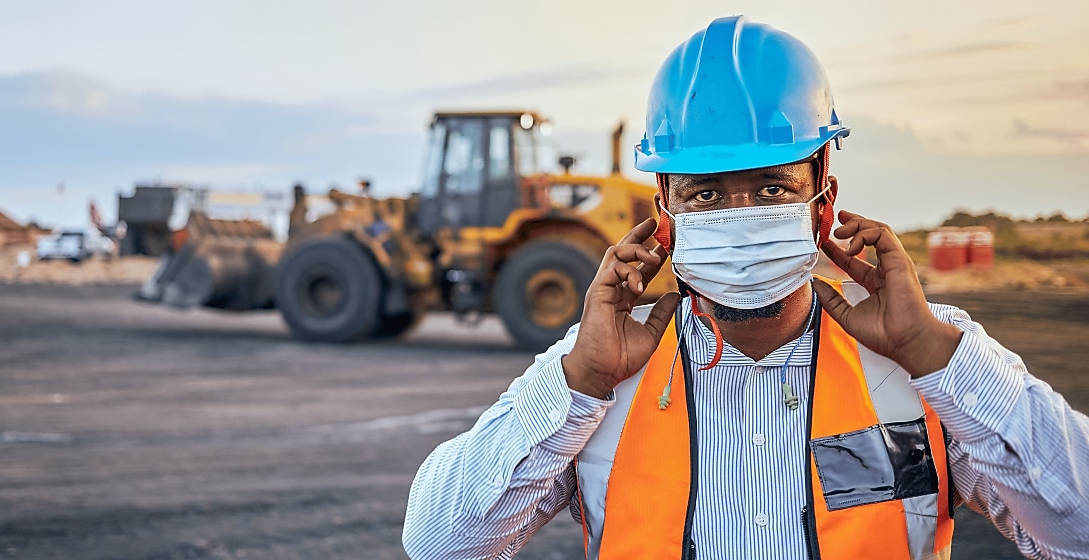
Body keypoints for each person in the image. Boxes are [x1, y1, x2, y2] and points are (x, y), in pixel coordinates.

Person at [403, 15, 1089, 560]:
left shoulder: (927, 365)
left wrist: (936, 356)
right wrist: (577, 382)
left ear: (823, 200)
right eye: (705, 193)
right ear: (664, 213)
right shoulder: (597, 374)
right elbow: (440, 543)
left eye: (771, 188)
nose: (740, 216)